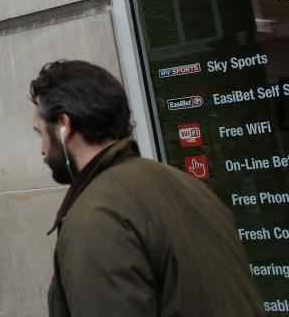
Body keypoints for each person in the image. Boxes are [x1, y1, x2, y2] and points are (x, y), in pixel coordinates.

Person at [29, 59, 264, 316]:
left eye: (41, 132)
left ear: (64, 125)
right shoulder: (189, 186)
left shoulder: (98, 213)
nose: (41, 148)